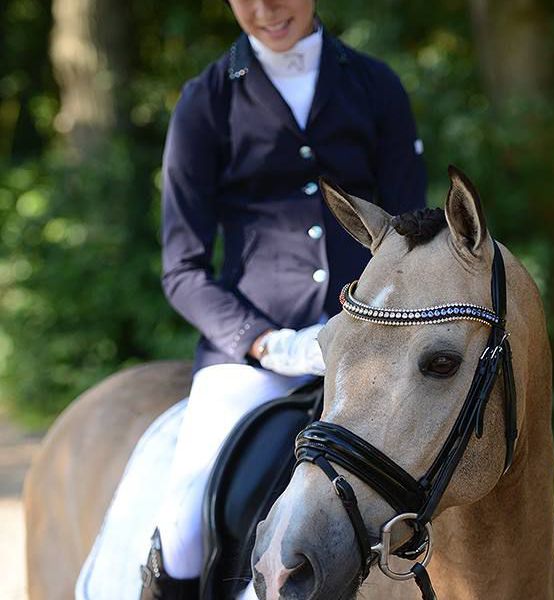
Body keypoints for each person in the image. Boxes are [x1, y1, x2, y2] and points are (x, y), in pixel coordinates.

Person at [140, 0, 427, 598]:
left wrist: (375, 324)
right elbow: (183, 269)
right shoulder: (206, 100)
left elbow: (411, 234)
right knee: (184, 518)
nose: (265, 8)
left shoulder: (375, 86)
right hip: (252, 355)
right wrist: (265, 341)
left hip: (369, 337)